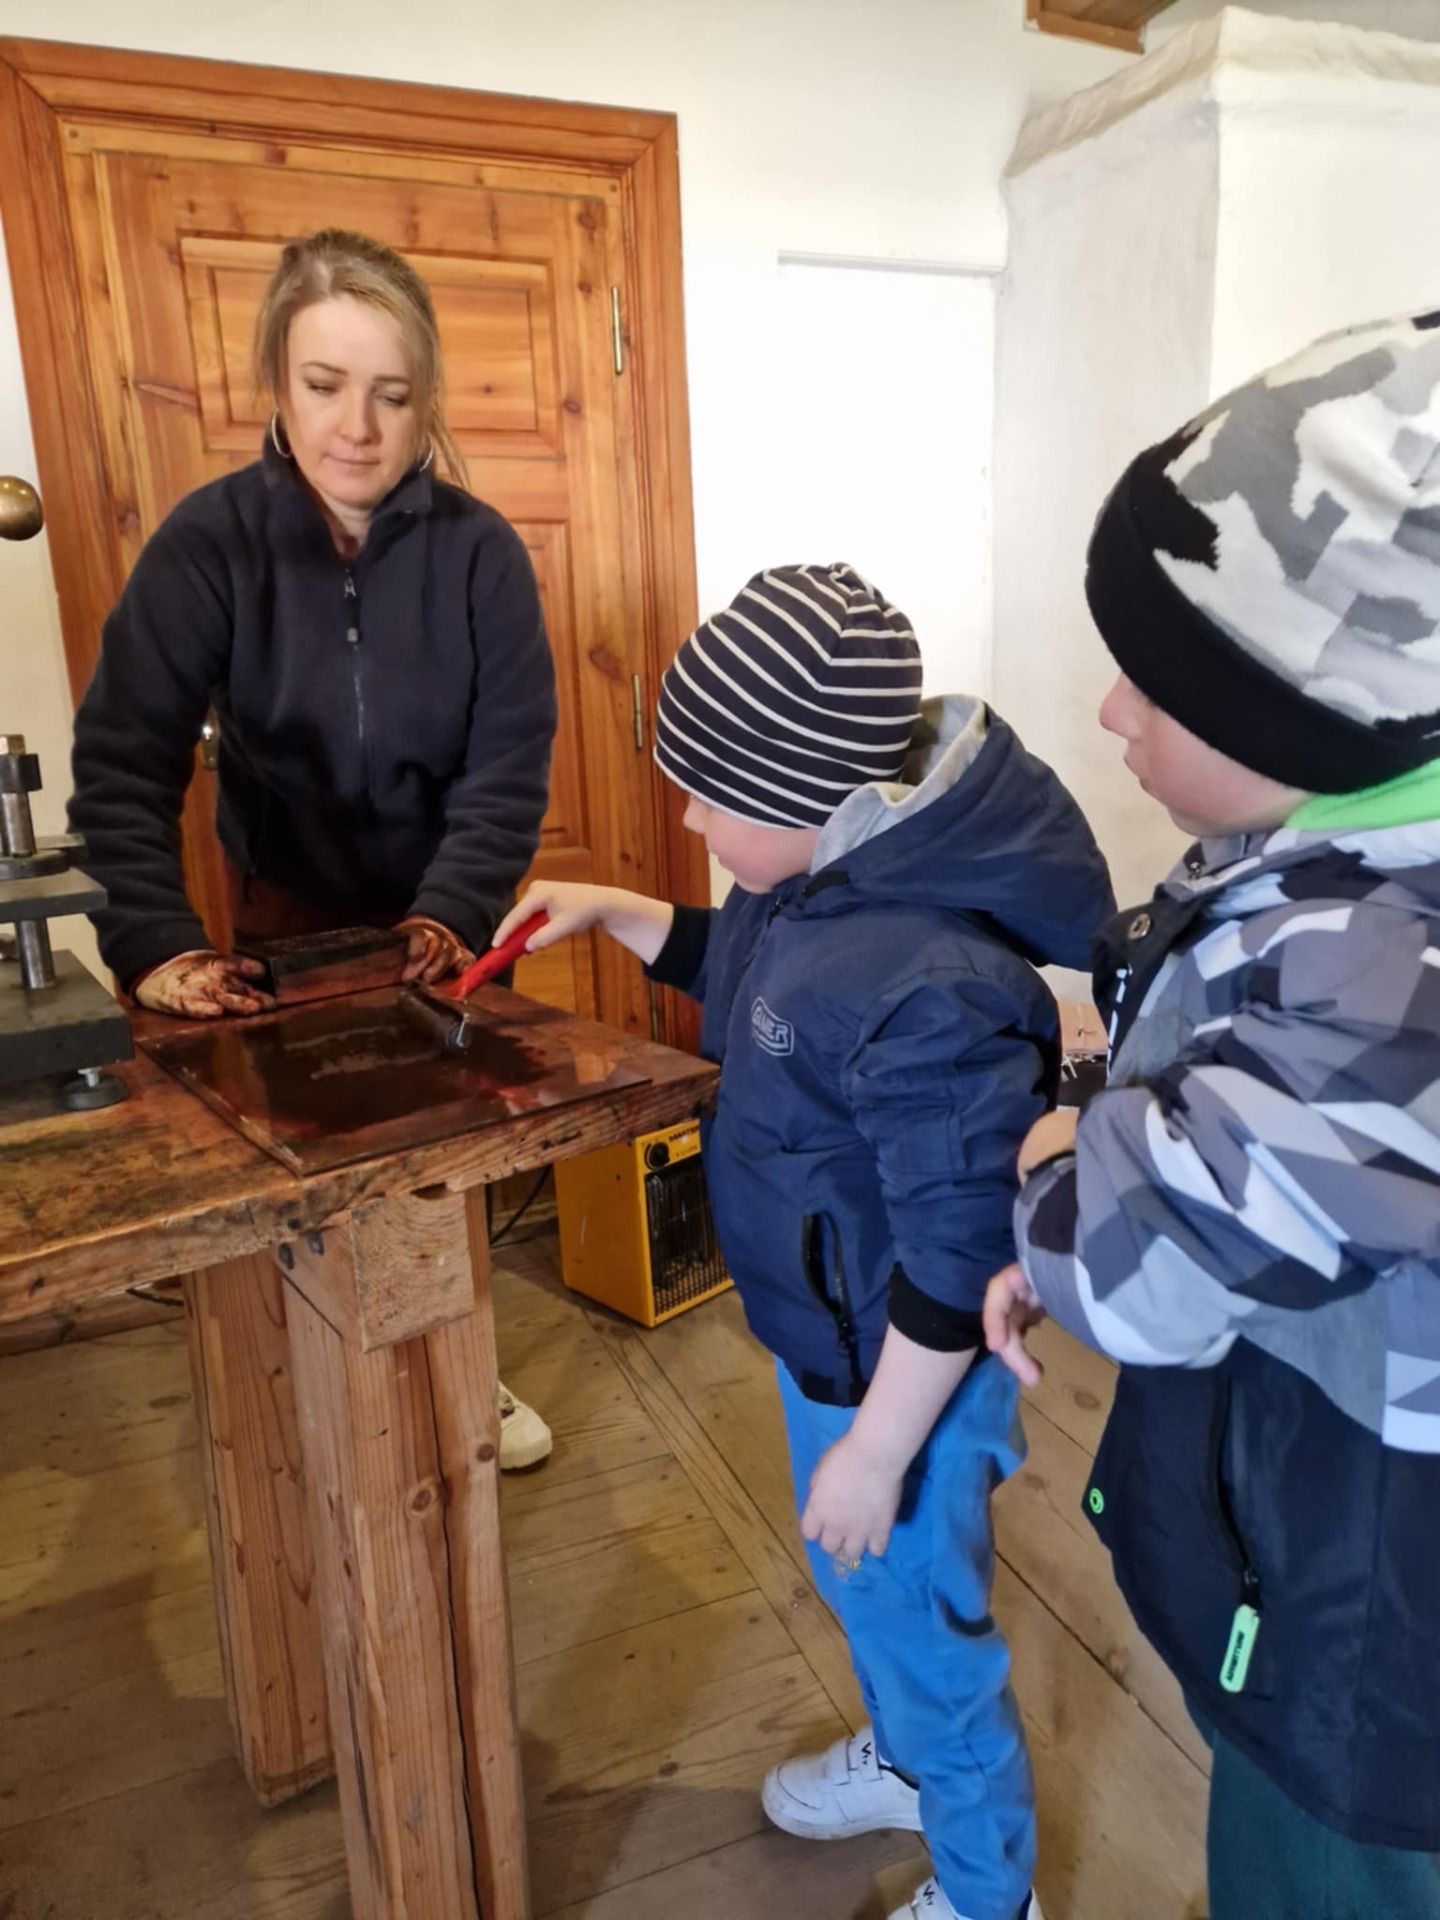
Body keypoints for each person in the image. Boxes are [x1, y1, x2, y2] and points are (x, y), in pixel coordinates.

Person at [493, 563, 1114, 1920]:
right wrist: (610, 909)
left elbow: (959, 1253)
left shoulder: (929, 984)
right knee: (865, 1585)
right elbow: (747, 968)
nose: (689, 816)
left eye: (711, 796)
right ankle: (904, 1761)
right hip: (835, 1344)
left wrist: (881, 1450)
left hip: (910, 1378)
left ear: (807, 799)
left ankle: (989, 1894)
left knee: (928, 1634)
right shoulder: (819, 885)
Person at [984, 313, 1440, 1919]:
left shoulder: (1388, 979)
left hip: (1374, 1649)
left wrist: (1057, 1161)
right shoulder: (1341, 862)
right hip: (1342, 1546)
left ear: (1317, 717)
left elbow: (1144, 1276)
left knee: (1315, 1873)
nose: (1113, 713)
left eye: (1162, 685)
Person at [69, 228, 556, 1471]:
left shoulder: (482, 555)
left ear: (424, 398)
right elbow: (123, 761)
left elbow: (507, 767)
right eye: (325, 386)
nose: (358, 427)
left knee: (440, 1157)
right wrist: (155, 941)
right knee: (308, 1160)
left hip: (437, 914)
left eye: (391, 394)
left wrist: (452, 911)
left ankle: (459, 1369)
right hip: (283, 912)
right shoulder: (208, 543)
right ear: (276, 387)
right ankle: (314, 1388)